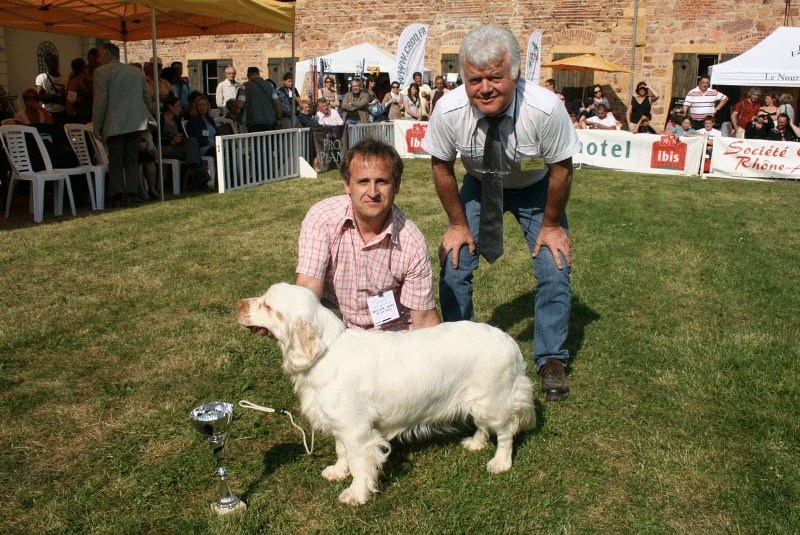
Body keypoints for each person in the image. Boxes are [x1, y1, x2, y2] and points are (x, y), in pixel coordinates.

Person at [422, 25, 581, 401]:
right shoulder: (448, 110)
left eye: (496, 77)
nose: (485, 88)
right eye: (475, 79)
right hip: (479, 183)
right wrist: (458, 224)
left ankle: (551, 359)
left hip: (536, 187)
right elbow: (441, 167)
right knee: (455, 264)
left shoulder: (545, 109)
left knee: (554, 268)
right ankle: (461, 356)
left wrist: (553, 223)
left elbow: (562, 168)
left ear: (516, 74)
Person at [295, 138, 441, 331]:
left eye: (382, 181)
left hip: (389, 335)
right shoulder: (322, 218)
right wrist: (291, 316)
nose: (373, 192)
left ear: (396, 186)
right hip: (335, 325)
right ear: (347, 185)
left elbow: (424, 320)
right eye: (363, 181)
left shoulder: (411, 242)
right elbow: (308, 287)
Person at [93, 42, 156, 208]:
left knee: (115, 160)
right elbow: (147, 97)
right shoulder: (135, 71)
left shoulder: (101, 72)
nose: (98, 59)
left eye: (100, 55)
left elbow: (100, 102)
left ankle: (118, 195)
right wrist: (145, 113)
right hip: (135, 122)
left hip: (114, 123)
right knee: (132, 159)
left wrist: (96, 125)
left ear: (107, 55)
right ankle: (133, 193)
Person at [159, 94, 203, 190]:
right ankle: (199, 174)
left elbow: (182, 136)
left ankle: (193, 168)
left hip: (177, 147)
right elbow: (156, 139)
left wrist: (179, 139)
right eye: (178, 105)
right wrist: (172, 141)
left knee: (191, 141)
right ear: (170, 107)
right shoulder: (160, 120)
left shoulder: (176, 120)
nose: (180, 108)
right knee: (192, 152)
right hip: (165, 147)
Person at [240, 66, 281, 133]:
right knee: (268, 142)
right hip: (269, 120)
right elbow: (277, 103)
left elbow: (240, 104)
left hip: (253, 121)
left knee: (256, 142)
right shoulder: (269, 85)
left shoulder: (245, 86)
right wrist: (279, 118)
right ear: (258, 74)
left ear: (248, 75)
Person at [35, 53, 68, 125]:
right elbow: (42, 98)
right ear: (46, 63)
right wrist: (59, 95)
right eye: (49, 61)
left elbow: (66, 98)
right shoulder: (41, 78)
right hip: (47, 112)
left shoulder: (65, 79)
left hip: (62, 113)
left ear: (57, 62)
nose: (52, 63)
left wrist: (50, 98)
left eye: (54, 61)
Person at [65, 58, 93, 124]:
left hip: (84, 112)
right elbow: (71, 100)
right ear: (82, 68)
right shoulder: (74, 82)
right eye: (85, 66)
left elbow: (70, 100)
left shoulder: (75, 81)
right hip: (81, 114)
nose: (87, 68)